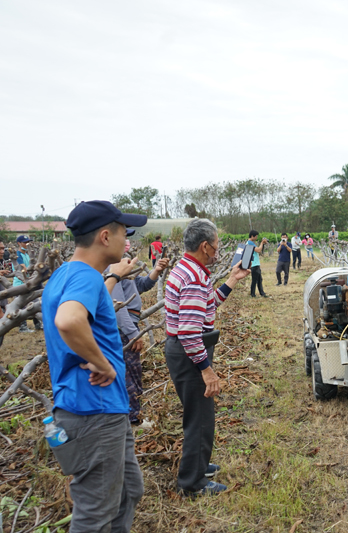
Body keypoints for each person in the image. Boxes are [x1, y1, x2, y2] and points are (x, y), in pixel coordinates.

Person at [41, 200, 147, 532]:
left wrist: (113, 277)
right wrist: (105, 364)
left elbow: (85, 302)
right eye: (123, 232)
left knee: (130, 490)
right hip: (94, 412)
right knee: (95, 514)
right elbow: (70, 320)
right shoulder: (85, 277)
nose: (126, 239)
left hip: (94, 409)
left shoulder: (66, 275)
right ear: (104, 236)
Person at [164, 218, 250, 497]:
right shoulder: (192, 277)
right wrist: (206, 369)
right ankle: (192, 483)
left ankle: (198, 465)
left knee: (199, 414)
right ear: (204, 246)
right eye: (216, 245)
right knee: (200, 419)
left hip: (184, 351)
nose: (218, 251)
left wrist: (233, 279)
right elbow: (189, 332)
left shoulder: (189, 269)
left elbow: (207, 304)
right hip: (190, 353)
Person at [112, 240, 170, 424]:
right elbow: (118, 306)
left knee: (133, 371)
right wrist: (132, 333)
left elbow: (142, 285)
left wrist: (156, 271)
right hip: (124, 328)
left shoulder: (123, 265)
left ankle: (132, 415)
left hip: (129, 324)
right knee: (129, 372)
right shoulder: (112, 269)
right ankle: (132, 418)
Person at [13, 235, 43, 332]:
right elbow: (23, 268)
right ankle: (23, 327)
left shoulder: (27, 255)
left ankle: (38, 324)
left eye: (28, 242)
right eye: (25, 243)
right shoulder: (17, 255)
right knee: (21, 306)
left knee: (35, 303)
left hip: (29, 283)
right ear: (19, 243)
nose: (27, 244)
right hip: (19, 284)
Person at [246, 230, 268, 297]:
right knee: (255, 280)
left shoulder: (251, 243)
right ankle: (253, 294)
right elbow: (258, 250)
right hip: (254, 264)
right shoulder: (250, 243)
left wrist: (262, 244)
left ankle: (261, 293)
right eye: (256, 236)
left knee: (259, 279)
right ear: (252, 236)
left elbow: (259, 250)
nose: (256, 238)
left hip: (255, 264)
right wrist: (262, 242)